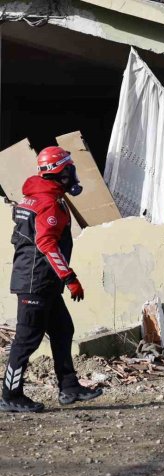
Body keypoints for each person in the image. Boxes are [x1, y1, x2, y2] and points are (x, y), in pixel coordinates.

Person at [1, 146, 103, 413]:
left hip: (41, 281)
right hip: (36, 282)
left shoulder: (35, 196)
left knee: (62, 329)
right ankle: (10, 395)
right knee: (26, 339)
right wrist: (69, 277)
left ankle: (69, 388)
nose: (73, 174)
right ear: (61, 172)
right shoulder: (49, 202)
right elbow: (46, 243)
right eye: (69, 169)